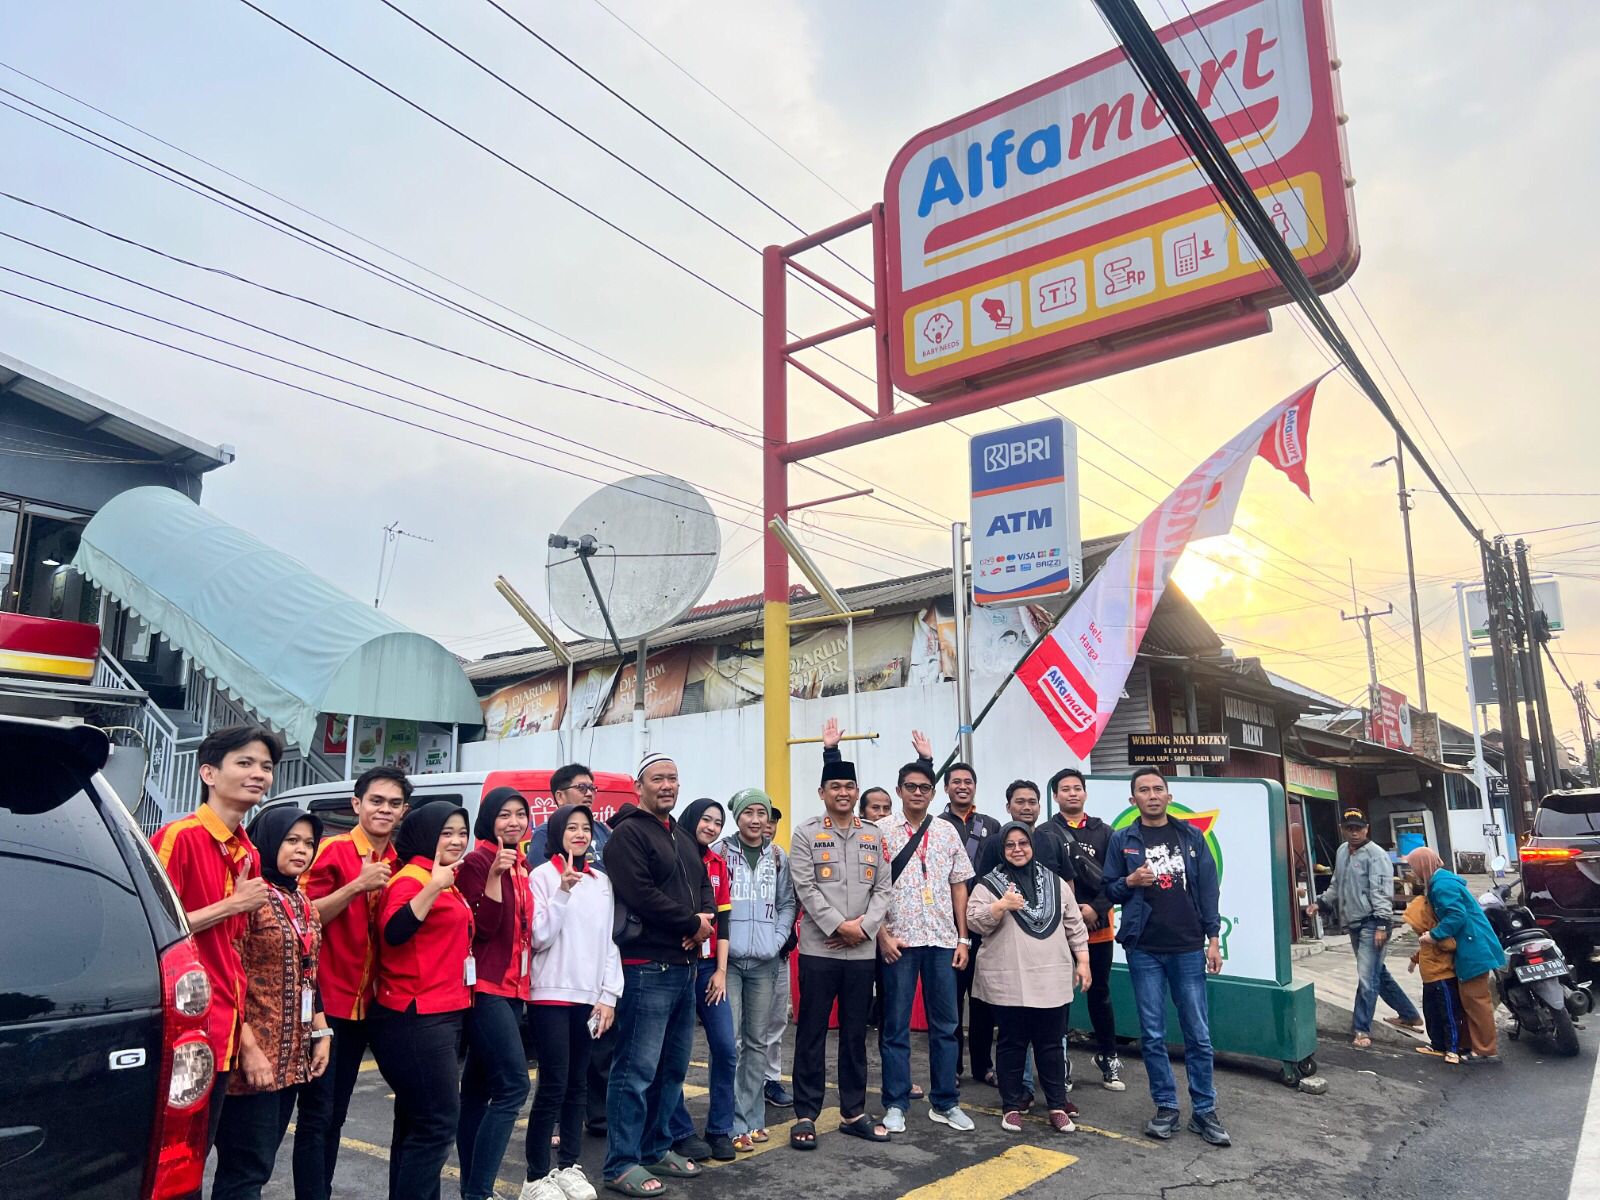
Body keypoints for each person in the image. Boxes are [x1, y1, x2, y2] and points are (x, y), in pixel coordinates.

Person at [150, 724, 279, 1153]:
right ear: (208, 773)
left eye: (266, 766)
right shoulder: (178, 837)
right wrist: (232, 904)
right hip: (184, 1025)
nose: (259, 774)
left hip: (224, 1025)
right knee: (173, 1155)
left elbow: (233, 947)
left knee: (199, 1152)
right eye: (245, 763)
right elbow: (150, 929)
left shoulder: (249, 851)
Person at [601, 752, 715, 1196]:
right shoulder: (627, 834)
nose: (667, 785)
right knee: (635, 1071)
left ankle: (655, 1147)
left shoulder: (681, 835)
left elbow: (702, 884)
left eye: (673, 778)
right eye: (658, 778)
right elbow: (640, 894)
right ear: (639, 786)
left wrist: (702, 921)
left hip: (684, 968)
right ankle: (621, 1162)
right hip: (647, 967)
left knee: (671, 1070)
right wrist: (690, 923)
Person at [296, 766, 409, 1198]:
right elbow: (301, 919)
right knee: (319, 1115)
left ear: (404, 811)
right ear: (356, 804)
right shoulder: (333, 851)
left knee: (338, 1113)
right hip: (326, 1002)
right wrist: (355, 887)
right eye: (376, 801)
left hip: (373, 1005)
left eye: (394, 804)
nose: (384, 810)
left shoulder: (399, 862)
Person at [1103, 768, 1231, 1147]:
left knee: (1198, 1034)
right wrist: (1130, 882)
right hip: (1143, 947)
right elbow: (1108, 888)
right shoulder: (1123, 839)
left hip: (1188, 946)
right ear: (1133, 800)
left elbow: (1208, 890)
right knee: (1153, 1034)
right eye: (1144, 790)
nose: (1152, 795)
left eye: (1158, 789)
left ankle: (1204, 1110)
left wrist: (1213, 940)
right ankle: (1166, 1107)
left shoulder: (1190, 836)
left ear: (1168, 796)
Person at [212, 807, 331, 1200]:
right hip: (252, 1059)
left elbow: (309, 973)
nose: (302, 850)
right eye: (291, 840)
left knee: (259, 1166)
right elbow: (226, 973)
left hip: (290, 1060)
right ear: (268, 842)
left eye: (309, 843)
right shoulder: (248, 897)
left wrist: (321, 1032)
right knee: (244, 1171)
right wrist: (247, 1048)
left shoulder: (303, 902)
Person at [370, 801, 475, 1200]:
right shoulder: (413, 879)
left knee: (415, 1124)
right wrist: (433, 887)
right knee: (437, 1124)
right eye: (447, 832)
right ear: (426, 835)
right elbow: (394, 933)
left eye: (462, 833)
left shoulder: (444, 876)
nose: (457, 840)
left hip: (443, 1011)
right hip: (415, 1015)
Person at [789, 754, 894, 1148]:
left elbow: (883, 888)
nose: (843, 792)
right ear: (822, 792)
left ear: (856, 791)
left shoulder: (874, 835)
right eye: (835, 786)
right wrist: (839, 926)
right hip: (820, 950)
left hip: (861, 953)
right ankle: (805, 1114)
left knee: (855, 1035)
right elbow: (805, 887)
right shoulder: (806, 833)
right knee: (812, 1033)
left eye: (849, 786)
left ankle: (853, 1112)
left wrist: (862, 930)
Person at [965, 823, 1090, 1136]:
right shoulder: (988, 884)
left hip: (1051, 977)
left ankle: (1057, 1106)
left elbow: (1074, 923)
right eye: (1010, 845)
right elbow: (974, 922)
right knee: (1012, 1043)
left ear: (1032, 846)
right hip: (1010, 981)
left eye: (1023, 843)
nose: (1017, 849)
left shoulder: (1055, 882)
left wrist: (1084, 961)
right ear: (1001, 850)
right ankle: (1011, 1105)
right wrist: (1000, 906)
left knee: (1051, 1045)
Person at [525, 802, 621, 1200]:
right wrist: (563, 892)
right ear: (557, 833)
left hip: (588, 998)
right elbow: (539, 937)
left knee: (578, 1084)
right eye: (572, 827)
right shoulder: (541, 877)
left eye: (585, 828)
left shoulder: (602, 882)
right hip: (549, 994)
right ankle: (535, 1176)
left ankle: (568, 1166)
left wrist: (608, 995)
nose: (580, 834)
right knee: (553, 1084)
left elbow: (609, 942)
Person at [876, 759, 976, 1135]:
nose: (918, 793)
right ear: (899, 790)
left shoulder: (947, 831)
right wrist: (882, 935)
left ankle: (946, 1101)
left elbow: (959, 885)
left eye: (925, 788)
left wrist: (963, 938)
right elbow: (868, 887)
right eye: (911, 786)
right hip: (899, 941)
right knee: (895, 1026)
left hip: (942, 941)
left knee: (946, 1026)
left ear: (933, 793)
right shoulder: (880, 831)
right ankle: (895, 1102)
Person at [455, 789, 535, 1200]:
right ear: (489, 819)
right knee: (513, 1087)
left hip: (515, 989)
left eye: (520, 814)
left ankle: (472, 1188)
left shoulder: (522, 864)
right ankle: (479, 1191)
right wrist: (493, 878)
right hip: (486, 987)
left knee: (477, 1092)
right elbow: (481, 929)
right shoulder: (477, 862)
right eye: (504, 815)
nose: (514, 822)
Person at [714, 788, 796, 1152]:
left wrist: (775, 940)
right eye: (749, 813)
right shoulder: (719, 852)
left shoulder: (777, 856)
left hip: (765, 962)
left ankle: (753, 1117)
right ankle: (729, 1120)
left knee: (757, 1041)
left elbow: (787, 903)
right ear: (738, 817)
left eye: (762, 813)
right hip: (728, 963)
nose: (756, 819)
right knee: (728, 1042)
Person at [1308, 809, 1424, 1047]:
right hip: (1354, 922)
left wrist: (1382, 923)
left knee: (1367, 976)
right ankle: (1409, 1015)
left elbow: (1381, 891)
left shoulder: (1376, 855)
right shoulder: (1342, 851)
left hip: (1373, 921)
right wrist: (1320, 903)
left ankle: (1362, 1029)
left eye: (1358, 828)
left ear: (1366, 829)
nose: (1354, 833)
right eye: (1349, 828)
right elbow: (1336, 884)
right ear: (1342, 829)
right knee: (1376, 972)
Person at [1040, 767, 1123, 1092]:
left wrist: (1096, 908)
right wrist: (1073, 912)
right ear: (1056, 795)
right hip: (1059, 928)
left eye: (1077, 788)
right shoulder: (1045, 832)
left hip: (1099, 926)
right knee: (1059, 996)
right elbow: (1043, 879)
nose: (1072, 793)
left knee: (1100, 993)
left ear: (1085, 793)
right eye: (1065, 789)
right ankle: (1060, 1061)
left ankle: (1108, 1056)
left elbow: (1118, 878)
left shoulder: (1106, 832)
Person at [666, 798, 738, 1163]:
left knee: (726, 1048)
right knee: (673, 1054)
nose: (711, 827)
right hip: (677, 964)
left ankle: (720, 1129)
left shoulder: (717, 864)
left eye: (717, 823)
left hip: (709, 969)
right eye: (706, 819)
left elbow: (723, 924)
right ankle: (679, 1131)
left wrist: (722, 972)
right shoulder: (671, 854)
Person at [935, 749, 999, 1087]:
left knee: (983, 999)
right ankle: (952, 1067)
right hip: (947, 927)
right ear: (946, 788)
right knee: (950, 1001)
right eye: (956, 782)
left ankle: (983, 1065)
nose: (962, 786)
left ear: (975, 787)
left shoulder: (992, 826)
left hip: (985, 925)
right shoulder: (935, 825)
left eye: (968, 781)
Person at [1408, 847, 1506, 1063]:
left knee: (1476, 1002)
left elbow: (1456, 915)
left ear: (1423, 866)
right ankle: (1469, 1045)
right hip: (1471, 945)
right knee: (1468, 1001)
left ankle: (1484, 1050)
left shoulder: (1441, 885)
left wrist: (1434, 935)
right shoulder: (1441, 881)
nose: (1413, 872)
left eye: (1413, 867)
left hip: (1473, 948)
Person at [761, 802, 797, 1110]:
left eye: (771, 821)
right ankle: (741, 1081)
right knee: (741, 1024)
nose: (766, 826)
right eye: (759, 817)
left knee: (775, 1020)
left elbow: (788, 902)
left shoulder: (779, 856)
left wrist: (781, 938)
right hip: (739, 956)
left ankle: (770, 1079)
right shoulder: (726, 852)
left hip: (777, 952)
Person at [1402, 892, 1463, 1064]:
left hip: (1443, 979)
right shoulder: (1424, 936)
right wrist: (1414, 961)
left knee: (1448, 1014)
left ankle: (1453, 1049)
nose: (1414, 929)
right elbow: (1423, 951)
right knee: (1431, 1013)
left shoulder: (1436, 933)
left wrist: (1435, 938)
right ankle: (1437, 1045)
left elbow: (1451, 945)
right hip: (1428, 980)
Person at [526, 763, 613, 864]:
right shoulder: (545, 833)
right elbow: (541, 871)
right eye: (581, 788)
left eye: (592, 788)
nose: (589, 794)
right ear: (560, 797)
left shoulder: (601, 829)